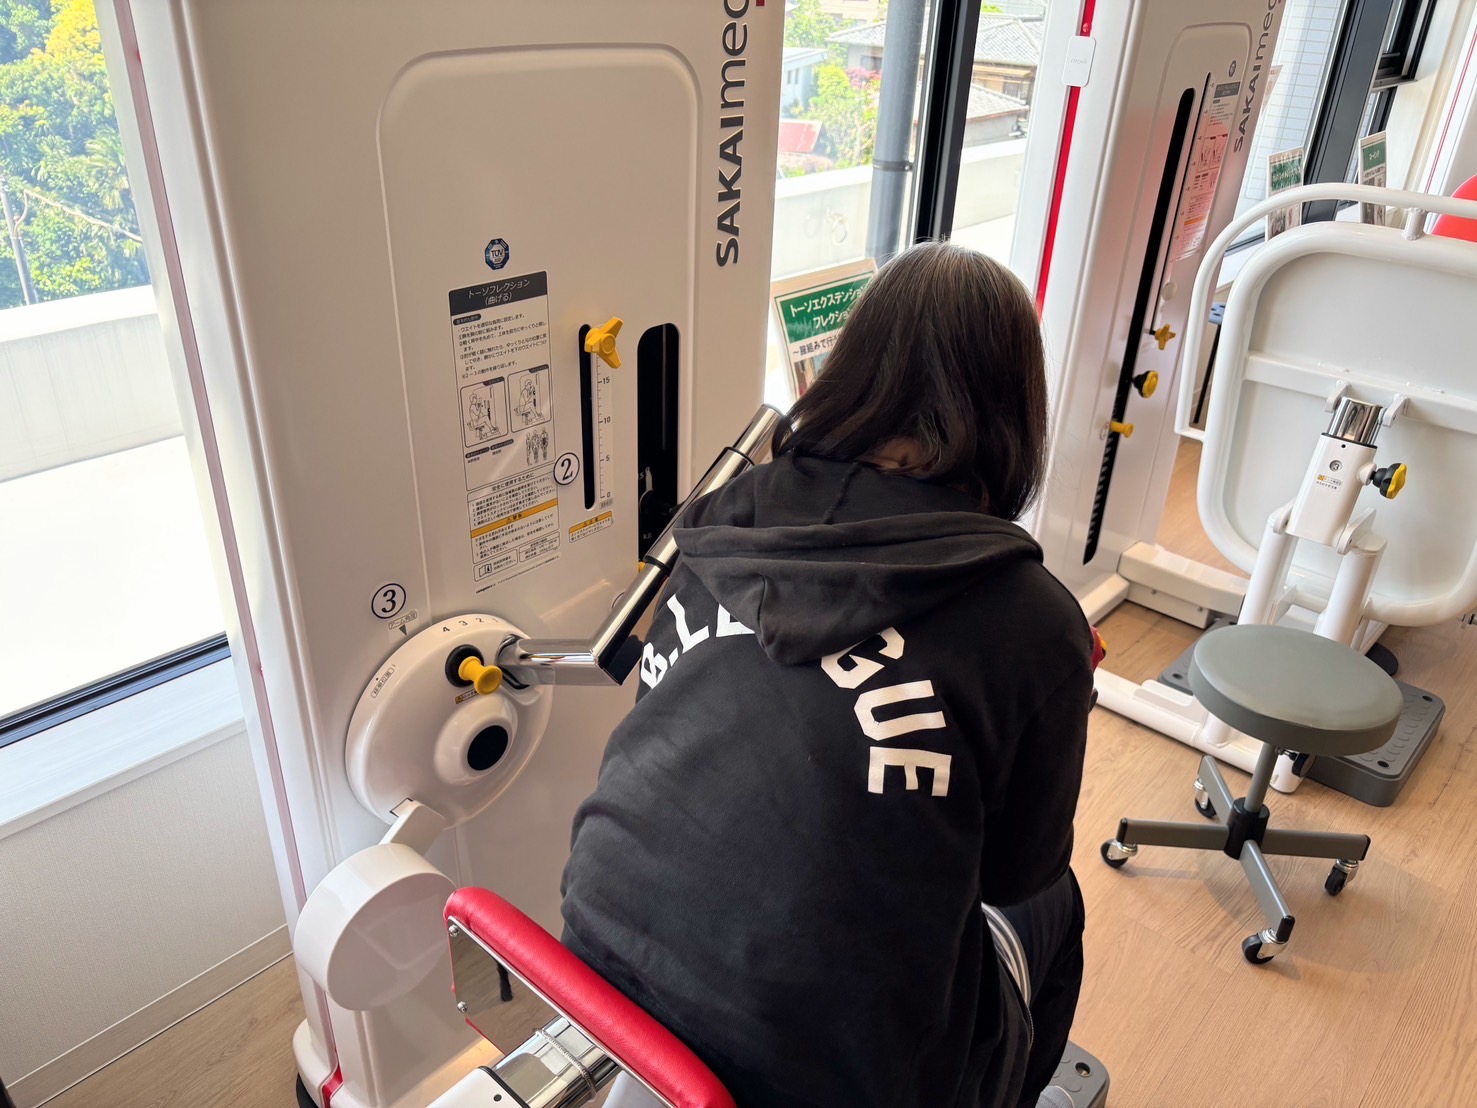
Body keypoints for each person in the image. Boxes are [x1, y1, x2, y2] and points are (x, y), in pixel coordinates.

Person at [561, 241, 1095, 1107]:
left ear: (853, 369)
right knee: (1052, 905)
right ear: (1014, 413)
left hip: (595, 956)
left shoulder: (723, 519)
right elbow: (1011, 875)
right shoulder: (1032, 619)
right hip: (819, 1072)